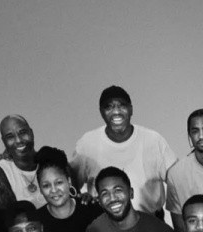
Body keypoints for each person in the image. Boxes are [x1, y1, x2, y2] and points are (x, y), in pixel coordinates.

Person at [71, 85, 176, 215]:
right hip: (103, 222)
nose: (116, 112)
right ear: (101, 112)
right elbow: (70, 180)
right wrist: (81, 199)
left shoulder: (153, 140)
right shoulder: (87, 143)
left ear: (131, 109)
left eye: (122, 105)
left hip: (150, 220)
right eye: (109, 107)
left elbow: (176, 180)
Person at [35, 146, 102, 232]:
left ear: (69, 181)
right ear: (40, 189)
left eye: (59, 182)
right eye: (46, 186)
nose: (54, 190)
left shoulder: (92, 209)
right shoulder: (36, 222)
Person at [0, 115, 46, 209]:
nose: (18, 140)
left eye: (23, 132)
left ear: (31, 133)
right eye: (10, 137)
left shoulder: (52, 159)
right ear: (4, 141)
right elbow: (7, 215)